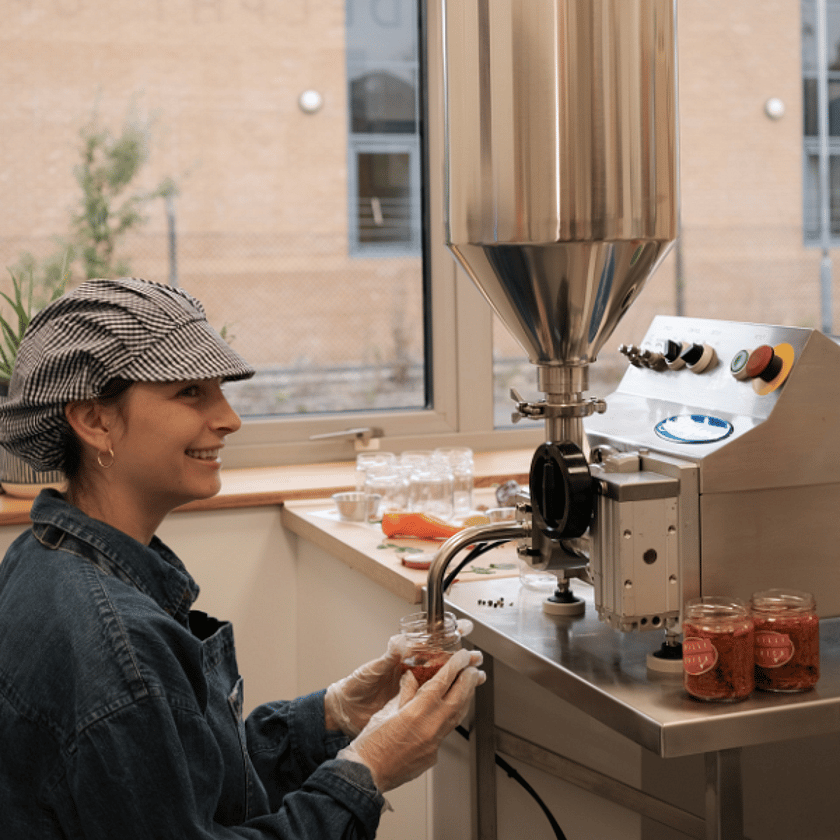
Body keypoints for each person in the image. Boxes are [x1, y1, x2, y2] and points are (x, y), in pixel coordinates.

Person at [0, 277, 485, 839]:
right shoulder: (117, 646)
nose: (229, 418)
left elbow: (174, 773)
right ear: (94, 420)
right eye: (190, 392)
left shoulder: (45, 556)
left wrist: (334, 714)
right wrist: (368, 770)